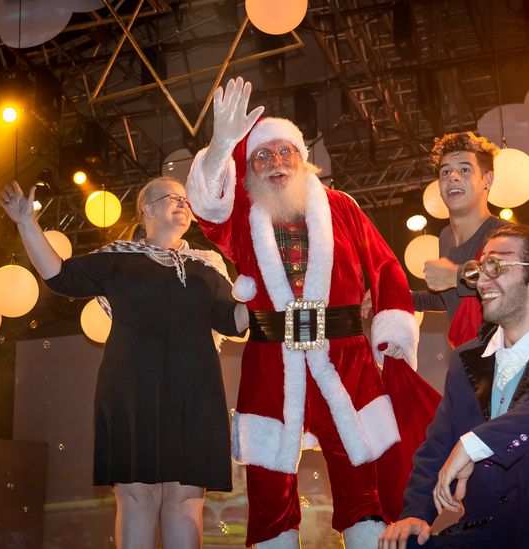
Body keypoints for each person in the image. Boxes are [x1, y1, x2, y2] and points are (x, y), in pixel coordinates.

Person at [187, 77, 440, 548]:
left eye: (285, 152)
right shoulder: (242, 215)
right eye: (263, 155)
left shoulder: (341, 207)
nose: (276, 162)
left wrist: (392, 333)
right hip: (271, 361)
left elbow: (385, 266)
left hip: (345, 358)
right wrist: (220, 148)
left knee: (360, 472)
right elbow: (208, 208)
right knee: (269, 481)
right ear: (249, 169)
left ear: (303, 159)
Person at [0, 176, 249, 549]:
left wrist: (264, 289)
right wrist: (26, 223)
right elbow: (60, 276)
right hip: (131, 392)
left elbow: (233, 321)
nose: (183, 204)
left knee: (185, 501)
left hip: (195, 395)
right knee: (136, 499)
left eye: (186, 200)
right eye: (172, 197)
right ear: (146, 208)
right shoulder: (118, 258)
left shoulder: (208, 265)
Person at [380, 224, 529, 549]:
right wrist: (415, 513)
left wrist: (477, 442)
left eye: (496, 265)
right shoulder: (466, 358)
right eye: (479, 268)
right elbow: (438, 445)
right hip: (487, 531)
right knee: (403, 543)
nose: (481, 280)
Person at [412, 131, 508, 348]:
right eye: (445, 172)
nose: (452, 176)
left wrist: (455, 276)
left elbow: (512, 287)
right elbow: (451, 297)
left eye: (465, 169)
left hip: (507, 356)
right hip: (468, 355)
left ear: (487, 180)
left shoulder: (504, 234)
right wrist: (396, 296)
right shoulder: (445, 237)